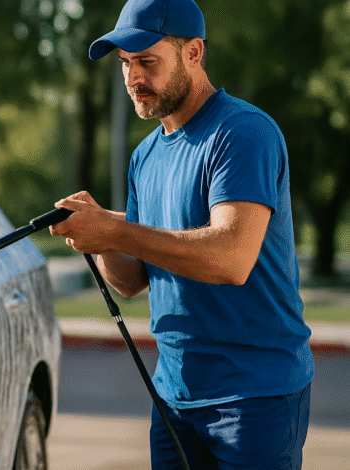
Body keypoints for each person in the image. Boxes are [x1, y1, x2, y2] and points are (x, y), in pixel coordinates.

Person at [49, 0, 314, 468]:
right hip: (173, 397)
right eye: (126, 65)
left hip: (254, 398)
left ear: (193, 53)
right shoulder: (144, 156)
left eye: (147, 62)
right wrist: (100, 236)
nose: (132, 78)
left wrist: (116, 229)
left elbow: (230, 257)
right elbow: (132, 280)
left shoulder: (243, 133)